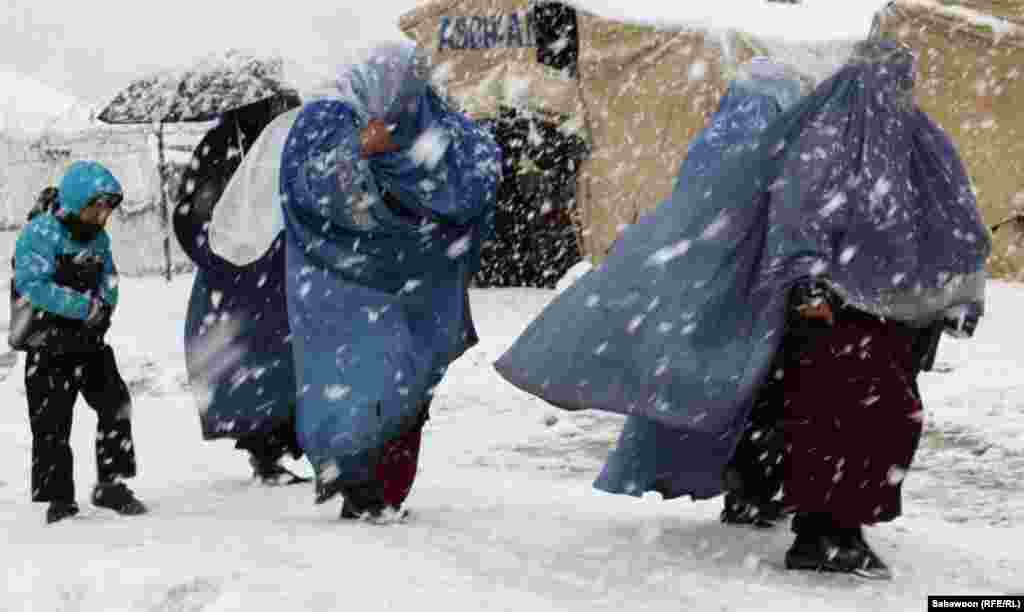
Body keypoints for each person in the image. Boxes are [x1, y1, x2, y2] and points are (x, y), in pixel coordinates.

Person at [495, 39, 989, 579]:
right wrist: (807, 283)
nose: (890, 96)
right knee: (831, 417)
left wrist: (954, 293)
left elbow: (955, 220)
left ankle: (806, 513)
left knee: (881, 418)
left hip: (892, 313)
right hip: (830, 310)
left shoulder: (915, 143)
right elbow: (798, 212)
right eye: (884, 83)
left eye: (900, 83)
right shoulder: (826, 140)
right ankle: (823, 532)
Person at [277, 41, 501, 520]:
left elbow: (475, 168)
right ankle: (359, 488)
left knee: (409, 379)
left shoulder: (426, 116)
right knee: (359, 378)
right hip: (341, 280)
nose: (408, 94)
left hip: (417, 280)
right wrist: (357, 151)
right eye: (403, 83)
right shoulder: (325, 120)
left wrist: (412, 176)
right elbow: (304, 189)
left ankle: (385, 488)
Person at [173, 92, 309, 486]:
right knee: (249, 362)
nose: (283, 108)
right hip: (234, 277)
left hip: (278, 270)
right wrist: (223, 255)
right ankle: (265, 452)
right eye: (277, 103)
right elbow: (191, 214)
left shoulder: (282, 139)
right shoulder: (221, 147)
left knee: (286, 359)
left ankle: (281, 446)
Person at [11, 161, 148, 524]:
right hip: (47, 344)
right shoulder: (38, 234)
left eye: (107, 208)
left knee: (115, 404)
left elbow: (110, 278)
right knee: (52, 423)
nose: (102, 215)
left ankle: (112, 485)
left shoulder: (98, 237)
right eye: (96, 206)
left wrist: (106, 304)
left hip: (88, 341)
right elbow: (33, 287)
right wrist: (84, 307)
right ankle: (59, 500)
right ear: (76, 201)